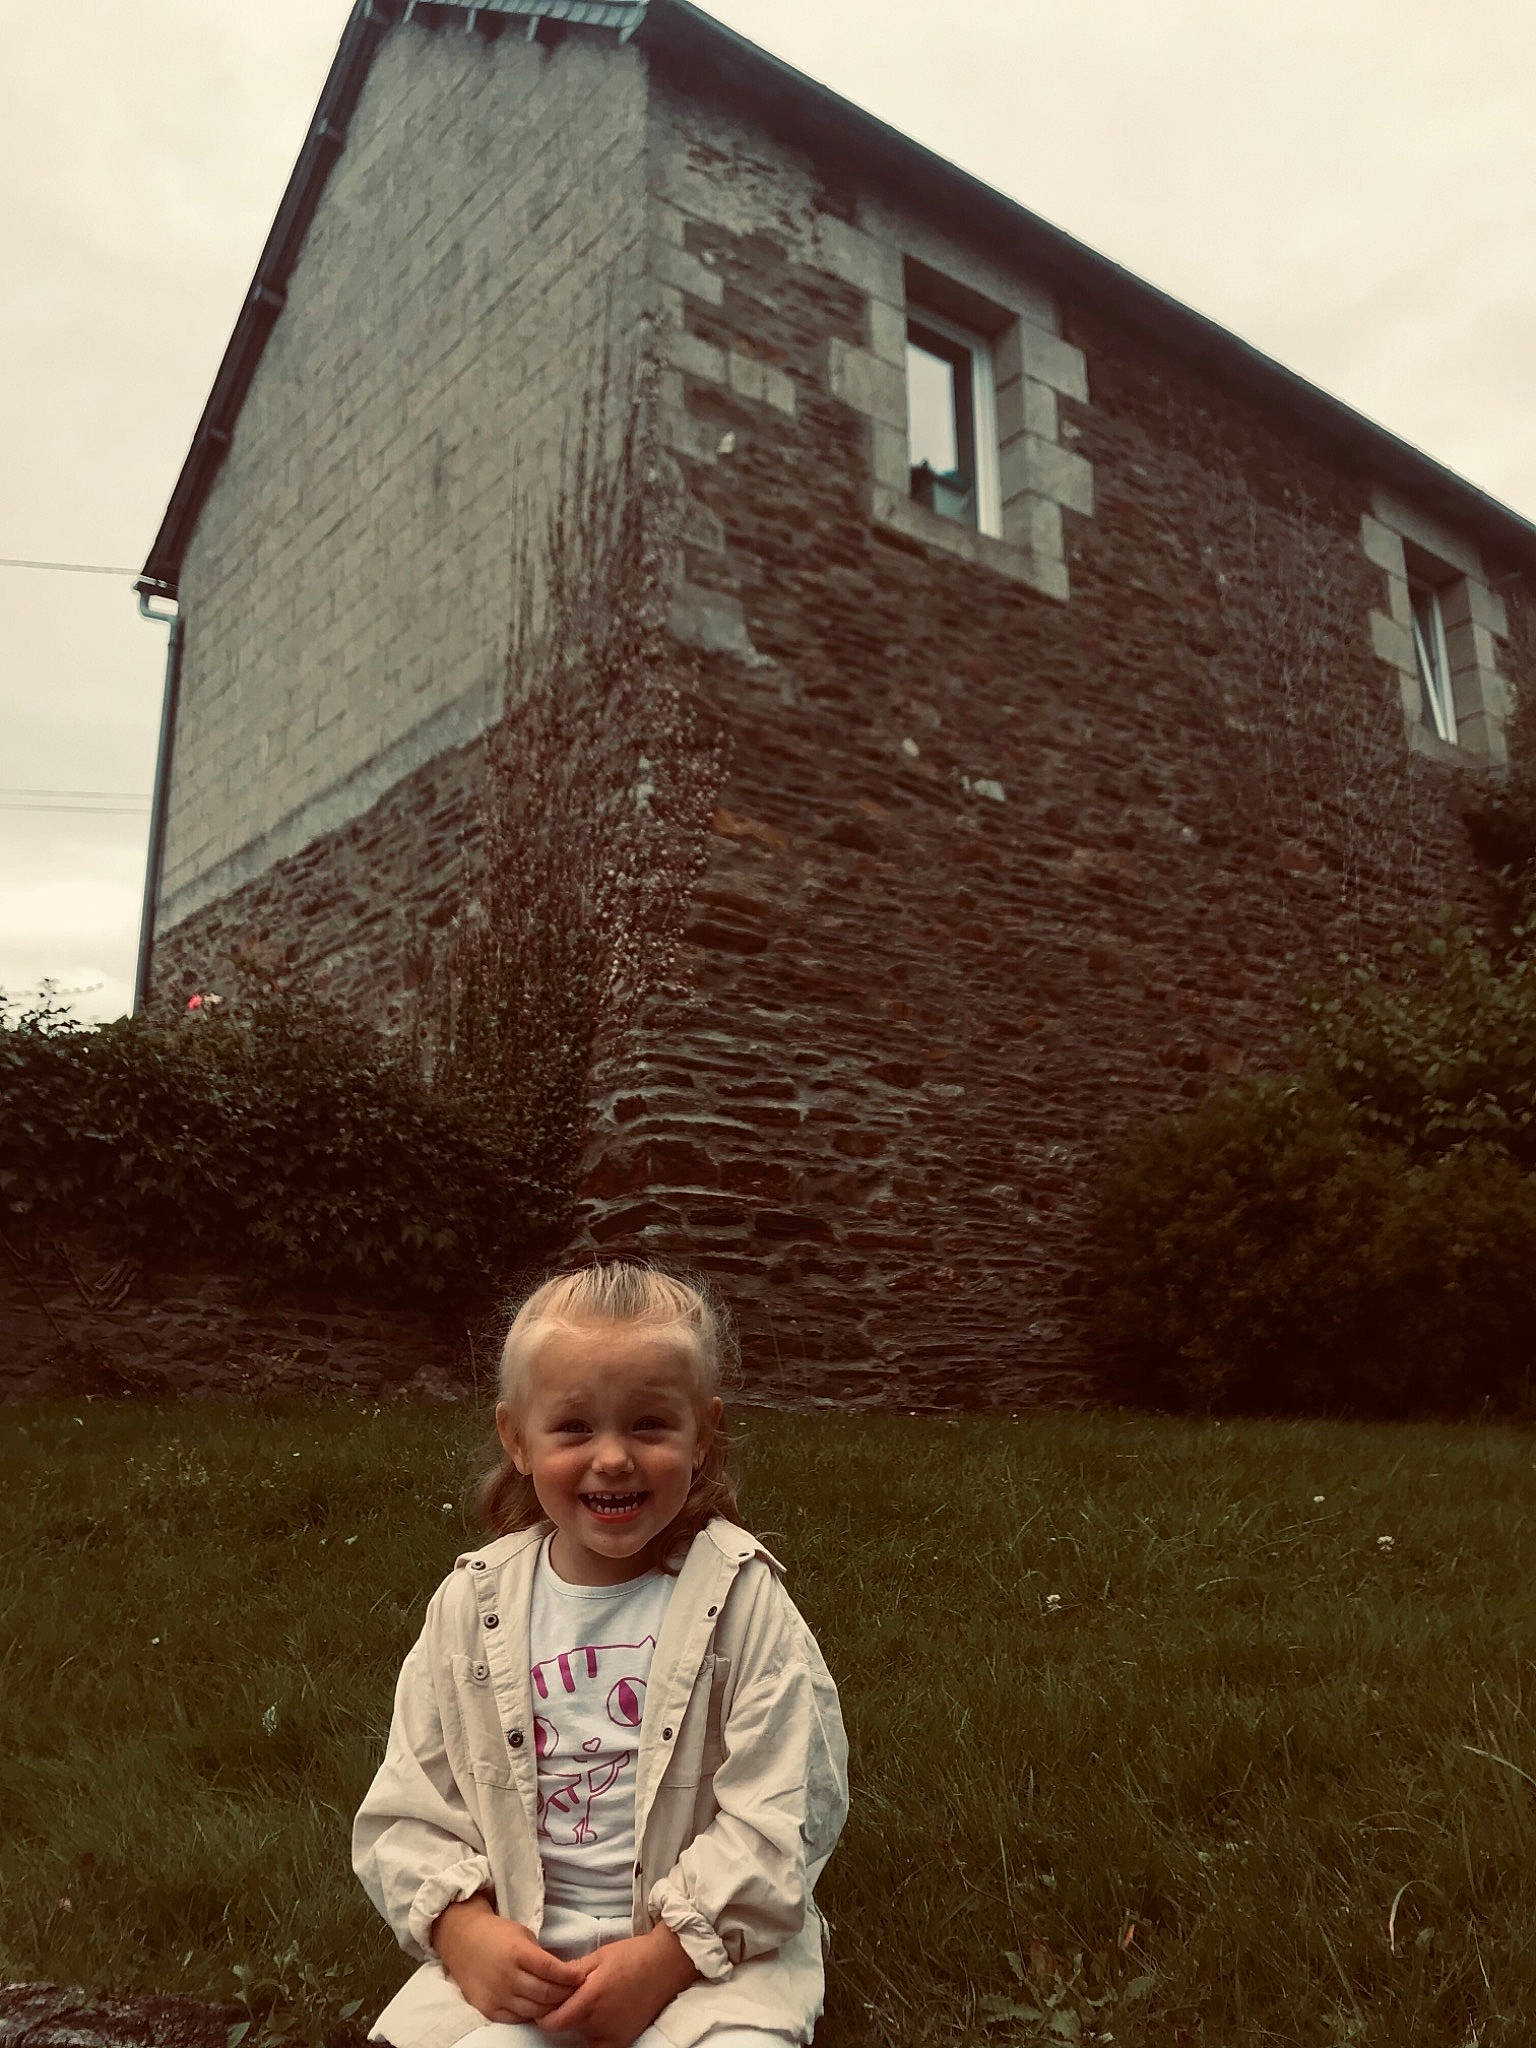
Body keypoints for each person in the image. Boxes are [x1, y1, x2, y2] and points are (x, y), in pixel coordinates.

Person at [353, 1261, 849, 2048]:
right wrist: (461, 1931)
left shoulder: (744, 1602)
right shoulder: (470, 1609)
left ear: (703, 1433)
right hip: (527, 1956)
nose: (612, 1458)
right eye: (576, 1428)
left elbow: (784, 1810)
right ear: (516, 1438)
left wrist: (666, 1956)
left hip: (706, 1960)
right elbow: (411, 1806)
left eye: (649, 1425)